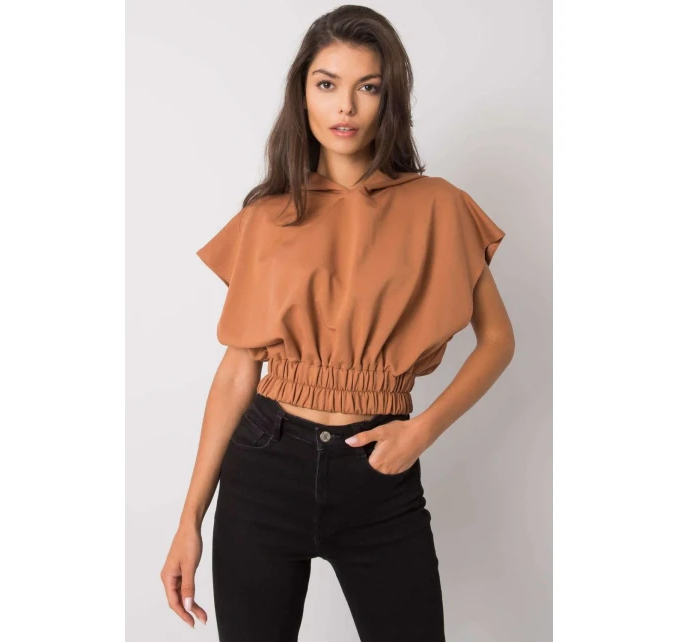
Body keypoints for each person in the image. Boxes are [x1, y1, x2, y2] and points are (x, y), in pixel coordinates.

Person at [160, 5, 514, 641]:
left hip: (379, 474)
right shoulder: (267, 216)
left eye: (367, 86)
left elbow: (497, 341)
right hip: (263, 469)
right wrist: (190, 519)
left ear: (389, 97)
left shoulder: (439, 205)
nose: (345, 106)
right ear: (303, 93)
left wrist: (421, 431)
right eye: (327, 84)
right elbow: (238, 370)